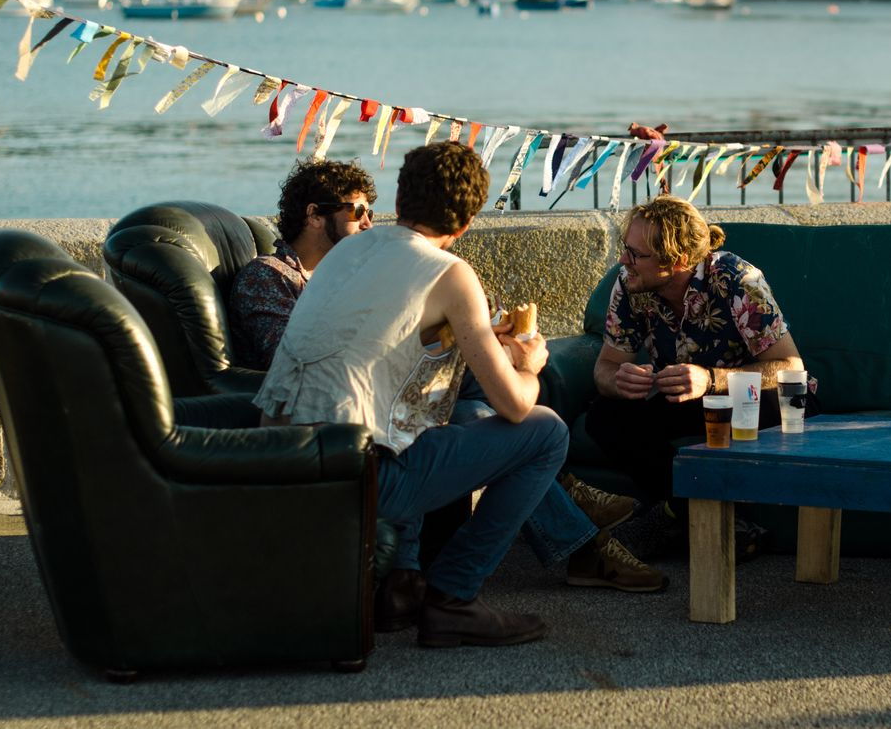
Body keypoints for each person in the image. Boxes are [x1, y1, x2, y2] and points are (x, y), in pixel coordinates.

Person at [253, 143, 660, 649]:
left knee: (439, 413)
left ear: (400, 198)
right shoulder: (449, 273)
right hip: (354, 476)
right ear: (467, 222)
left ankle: (405, 579)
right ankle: (453, 598)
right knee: (545, 432)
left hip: (277, 458)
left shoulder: (350, 250)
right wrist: (531, 366)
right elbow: (514, 404)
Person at [585, 196, 804, 551]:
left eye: (637, 255)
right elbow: (605, 367)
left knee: (778, 409)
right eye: (626, 249)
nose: (624, 261)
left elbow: (791, 367)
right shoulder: (630, 283)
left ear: (680, 261)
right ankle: (706, 521)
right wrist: (618, 379)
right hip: (686, 398)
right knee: (604, 416)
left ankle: (670, 521)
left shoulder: (736, 279)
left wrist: (710, 379)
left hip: (751, 400)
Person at [229, 158, 377, 371]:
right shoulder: (267, 276)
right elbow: (290, 358)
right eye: (357, 212)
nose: (368, 224)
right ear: (315, 216)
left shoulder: (341, 278)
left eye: (369, 213)